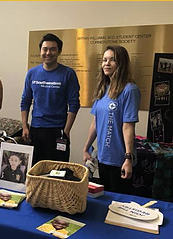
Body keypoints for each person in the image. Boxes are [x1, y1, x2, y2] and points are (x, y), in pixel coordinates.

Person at [83, 45, 140, 194]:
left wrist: (128, 158)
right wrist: (86, 148)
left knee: (119, 202)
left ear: (121, 63)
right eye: (104, 60)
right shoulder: (103, 89)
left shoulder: (129, 90)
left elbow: (128, 126)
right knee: (105, 197)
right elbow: (95, 123)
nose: (106, 64)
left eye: (112, 60)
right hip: (103, 157)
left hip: (119, 159)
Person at [20, 33, 80, 165]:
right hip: (36, 129)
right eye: (45, 49)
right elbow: (25, 101)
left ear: (59, 51)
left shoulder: (68, 74)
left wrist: (66, 131)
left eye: (53, 49)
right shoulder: (32, 73)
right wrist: (25, 126)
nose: (48, 53)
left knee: (57, 171)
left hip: (57, 130)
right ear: (40, 51)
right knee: (36, 169)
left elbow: (74, 104)